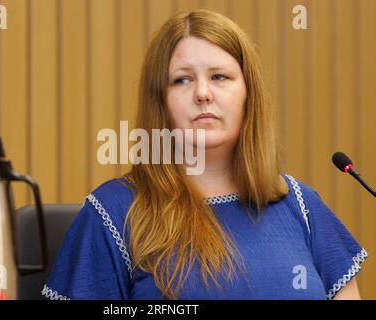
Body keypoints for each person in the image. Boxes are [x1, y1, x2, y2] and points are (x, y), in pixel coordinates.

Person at [42, 9, 367, 300]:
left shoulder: (302, 204)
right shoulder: (112, 213)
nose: (202, 93)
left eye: (219, 77)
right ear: (160, 102)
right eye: (182, 79)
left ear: (248, 95)